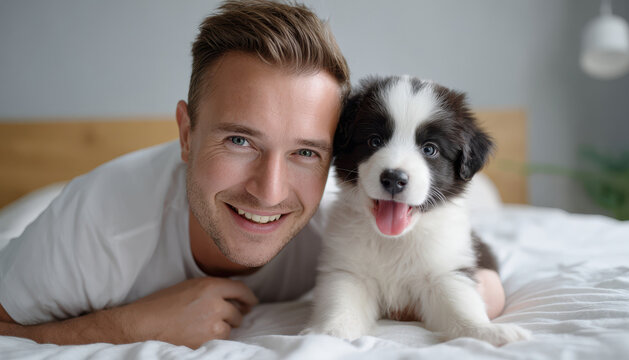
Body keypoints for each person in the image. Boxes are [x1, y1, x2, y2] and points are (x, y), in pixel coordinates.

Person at [0, 0, 505, 349]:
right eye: (240, 140)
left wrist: (476, 293)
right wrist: (127, 326)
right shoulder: (95, 228)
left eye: (306, 152)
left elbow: (448, 267)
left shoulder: (334, 225)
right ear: (186, 134)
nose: (269, 191)